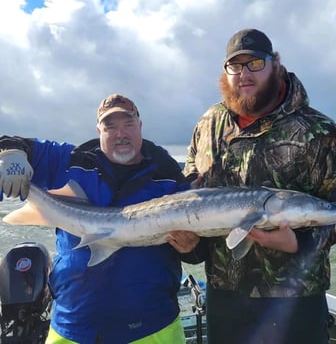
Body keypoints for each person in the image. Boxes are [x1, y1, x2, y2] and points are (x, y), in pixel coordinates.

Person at [183, 29, 336, 344]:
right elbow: (190, 191)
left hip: (295, 295)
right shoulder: (208, 124)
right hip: (225, 293)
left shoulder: (317, 129)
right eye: (235, 66)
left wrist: (299, 244)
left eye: (254, 63)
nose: (244, 74)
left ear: (275, 64)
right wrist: (191, 245)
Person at [0, 93, 199, 344]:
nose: (120, 134)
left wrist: (191, 247)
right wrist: (11, 155)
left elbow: (197, 250)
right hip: (72, 325)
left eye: (128, 124)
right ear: (98, 130)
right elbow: (16, 143)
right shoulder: (70, 161)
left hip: (152, 327)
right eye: (110, 126)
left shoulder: (168, 175)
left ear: (140, 126)